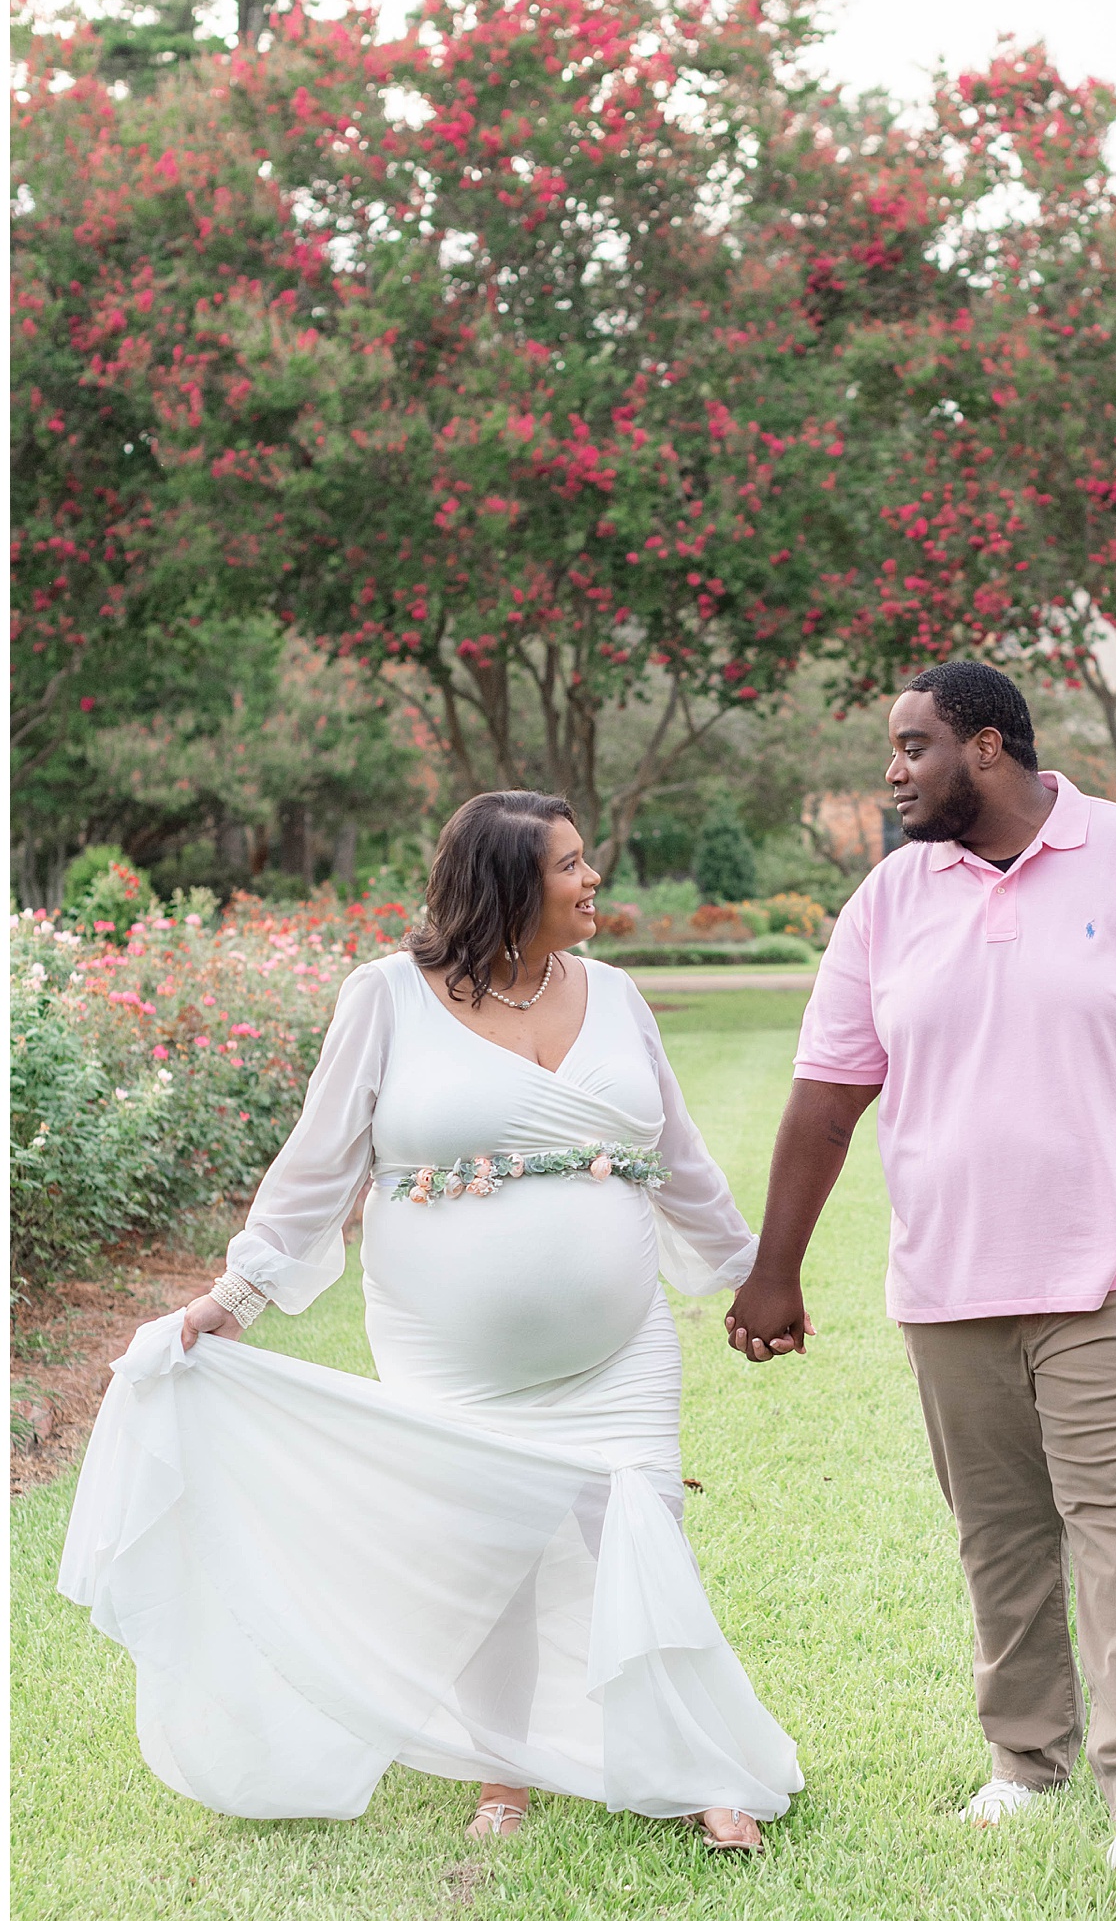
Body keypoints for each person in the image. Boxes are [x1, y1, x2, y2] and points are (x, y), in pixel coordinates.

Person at [61, 791, 800, 1853]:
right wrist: (238, 1296)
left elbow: (676, 1155)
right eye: (572, 864)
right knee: (482, 1544)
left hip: (620, 1343)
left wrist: (752, 1276)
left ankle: (687, 1765)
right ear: (505, 884)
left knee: (641, 1524)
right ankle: (504, 1772)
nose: (594, 880)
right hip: (449, 1346)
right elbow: (318, 1165)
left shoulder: (618, 992)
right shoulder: (387, 998)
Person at [725, 662, 1116, 1886]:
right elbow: (827, 1101)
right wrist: (775, 1269)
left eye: (911, 745)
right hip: (953, 1274)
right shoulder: (887, 899)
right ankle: (1027, 1762)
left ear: (987, 746)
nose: (893, 771)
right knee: (1000, 1533)